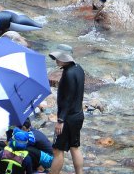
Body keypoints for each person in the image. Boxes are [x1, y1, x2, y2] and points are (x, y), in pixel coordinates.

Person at [48, 45, 85, 174]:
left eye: (58, 57)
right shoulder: (78, 69)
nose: (56, 60)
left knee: (58, 150)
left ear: (65, 58)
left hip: (67, 118)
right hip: (78, 115)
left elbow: (68, 99)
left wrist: (60, 120)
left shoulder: (68, 74)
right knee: (75, 147)